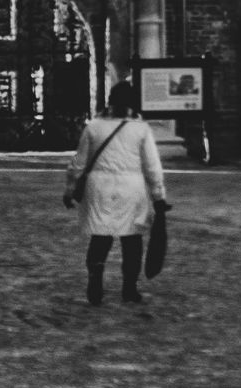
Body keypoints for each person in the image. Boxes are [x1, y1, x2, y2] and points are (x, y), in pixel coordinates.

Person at [64, 81, 173, 306]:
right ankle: (129, 288)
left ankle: (95, 279)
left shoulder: (94, 127)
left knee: (100, 237)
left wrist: (70, 189)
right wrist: (159, 196)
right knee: (132, 241)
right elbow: (152, 167)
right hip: (131, 189)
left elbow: (78, 163)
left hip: (99, 188)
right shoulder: (141, 129)